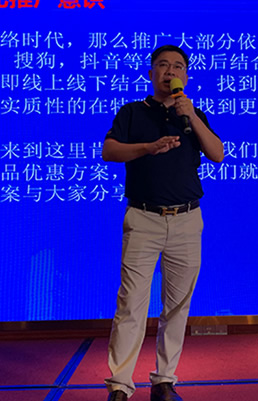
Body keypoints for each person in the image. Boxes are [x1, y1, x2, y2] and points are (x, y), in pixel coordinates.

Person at [102, 44, 224, 401]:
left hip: (186, 219)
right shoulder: (132, 112)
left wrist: (192, 117)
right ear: (151, 72)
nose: (170, 71)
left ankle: (164, 380)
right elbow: (109, 151)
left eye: (178, 66)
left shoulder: (193, 114)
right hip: (143, 218)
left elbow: (217, 153)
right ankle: (120, 385)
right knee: (131, 304)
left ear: (186, 75)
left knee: (177, 305)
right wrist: (148, 147)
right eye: (163, 65)